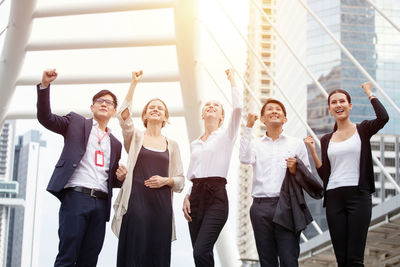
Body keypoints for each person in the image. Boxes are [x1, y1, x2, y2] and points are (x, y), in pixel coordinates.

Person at [36, 69, 126, 266]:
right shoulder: (75, 123)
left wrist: (122, 177)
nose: (104, 104)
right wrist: (44, 86)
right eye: (100, 101)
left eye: (109, 102)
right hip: (76, 197)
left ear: (114, 111)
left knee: (90, 259)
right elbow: (46, 118)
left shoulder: (116, 144)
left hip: (101, 203)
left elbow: (112, 179)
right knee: (67, 255)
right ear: (92, 107)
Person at [304, 81, 389, 267]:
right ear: (329, 109)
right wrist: (312, 152)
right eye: (333, 102)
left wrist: (369, 93)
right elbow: (325, 173)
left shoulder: (363, 130)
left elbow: (383, 118)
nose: (338, 105)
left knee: (355, 259)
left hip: (358, 196)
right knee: (342, 260)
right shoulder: (326, 139)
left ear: (350, 106)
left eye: (342, 101)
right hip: (334, 197)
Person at [111, 71, 185, 267]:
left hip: (161, 208)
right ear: (144, 115)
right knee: (134, 253)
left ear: (166, 117)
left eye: (160, 108)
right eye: (151, 107)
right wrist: (134, 83)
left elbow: (180, 181)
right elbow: (123, 116)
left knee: (157, 257)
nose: (155, 109)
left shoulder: (173, 145)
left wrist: (165, 180)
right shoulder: (135, 137)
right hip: (136, 204)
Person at [239, 98, 320, 267]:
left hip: (287, 205)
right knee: (267, 261)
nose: (274, 111)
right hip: (260, 206)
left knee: (289, 260)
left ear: (285, 119)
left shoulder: (296, 144)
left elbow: (307, 176)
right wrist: (248, 127)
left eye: (278, 109)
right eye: (269, 109)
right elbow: (244, 158)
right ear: (263, 119)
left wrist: (294, 169)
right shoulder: (255, 144)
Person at [182, 69, 242, 267]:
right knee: (198, 254)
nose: (211, 107)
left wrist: (232, 79)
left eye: (216, 106)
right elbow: (194, 173)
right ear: (202, 113)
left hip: (216, 196)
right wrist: (187, 196)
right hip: (196, 196)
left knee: (201, 251)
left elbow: (238, 109)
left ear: (222, 117)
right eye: (208, 105)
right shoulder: (195, 143)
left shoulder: (227, 136)